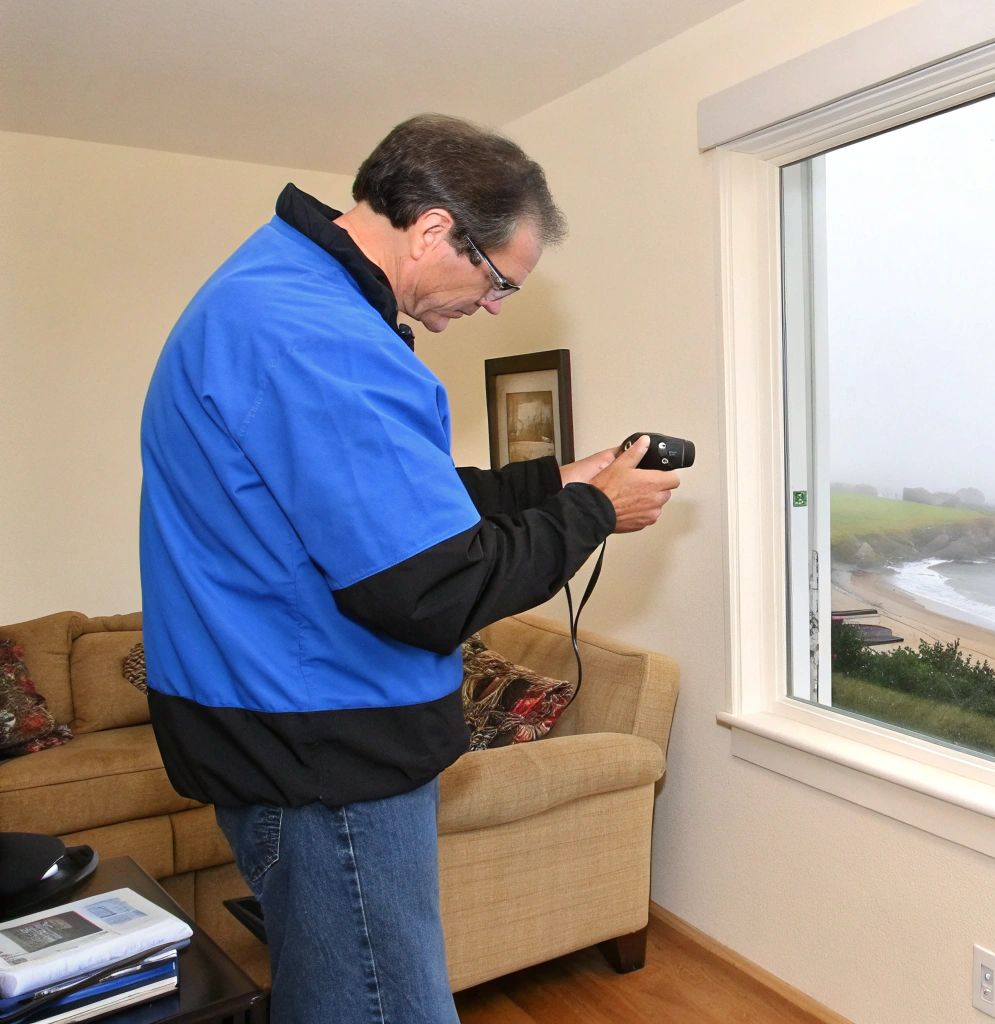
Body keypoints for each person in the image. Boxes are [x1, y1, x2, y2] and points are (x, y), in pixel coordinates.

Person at [137, 114, 679, 1024]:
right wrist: (595, 511)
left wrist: (549, 480)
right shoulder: (321, 336)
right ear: (434, 230)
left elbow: (390, 495)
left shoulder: (279, 290)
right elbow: (431, 587)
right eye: (497, 277)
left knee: (329, 990)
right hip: (323, 749)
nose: (497, 303)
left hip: (277, 729)